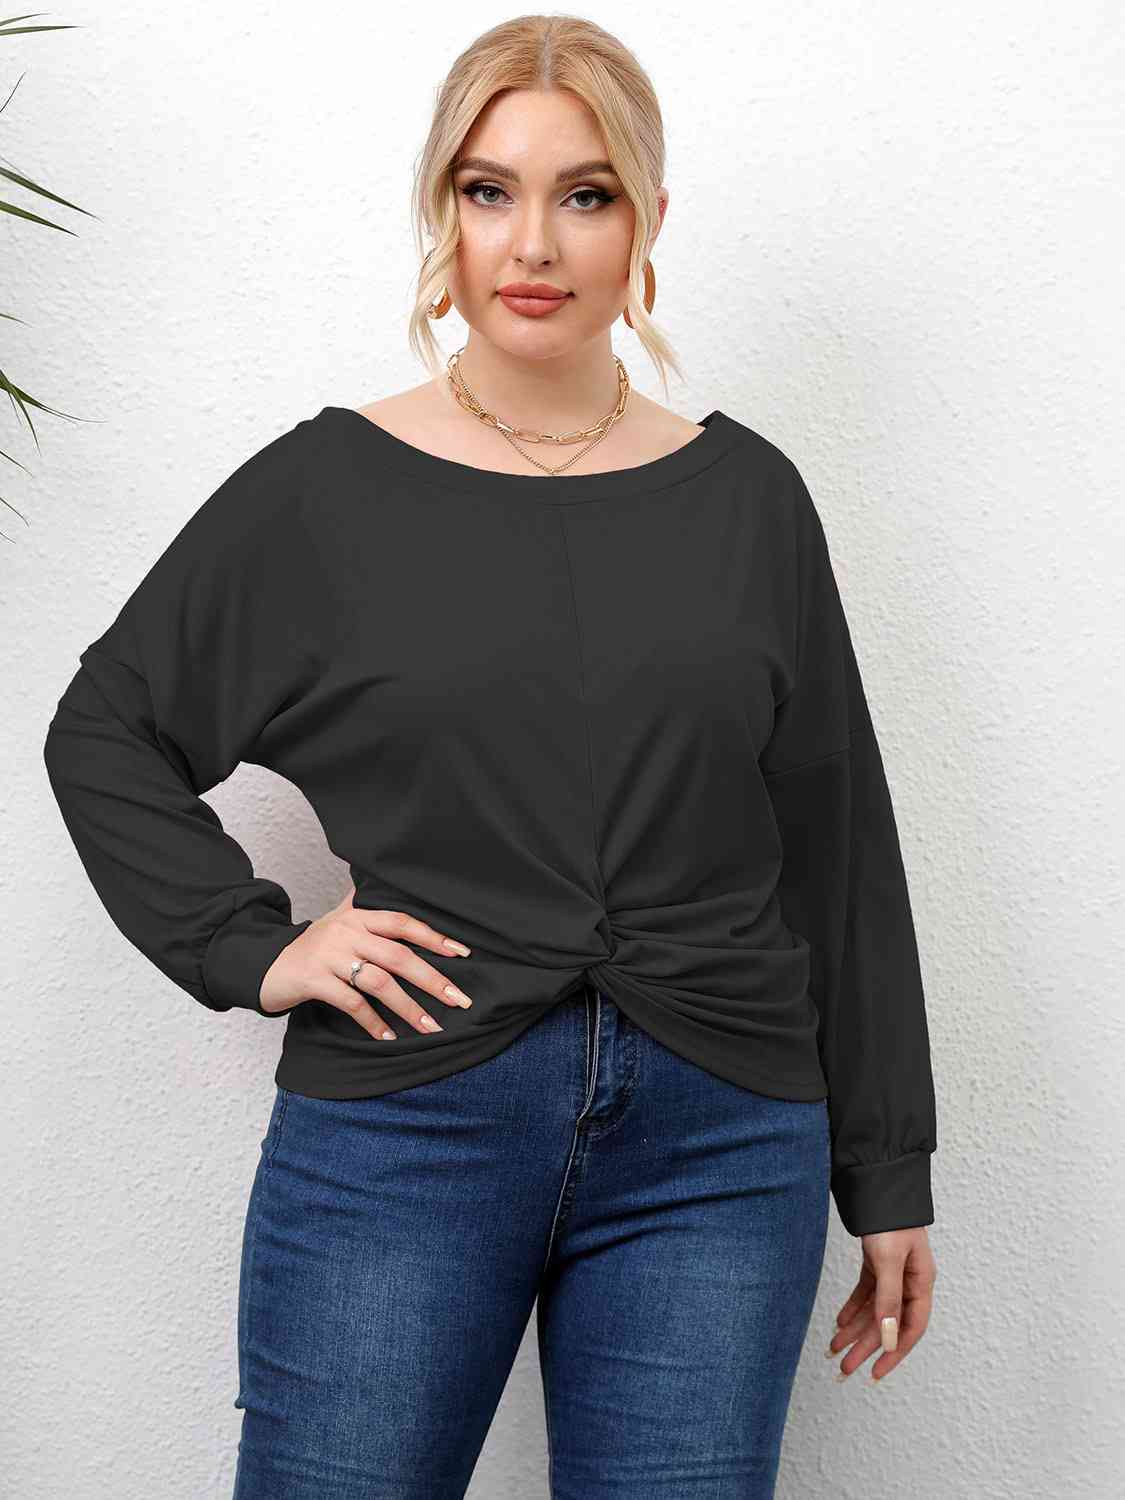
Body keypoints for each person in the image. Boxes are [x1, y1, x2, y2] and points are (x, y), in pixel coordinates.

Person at [42, 14, 939, 1499]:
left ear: (647, 220)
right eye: (487, 190)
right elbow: (106, 727)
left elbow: (837, 841)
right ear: (440, 213)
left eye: (585, 194)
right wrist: (251, 945)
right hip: (410, 1122)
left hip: (721, 1144)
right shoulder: (323, 492)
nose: (533, 242)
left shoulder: (749, 501)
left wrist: (888, 1167)